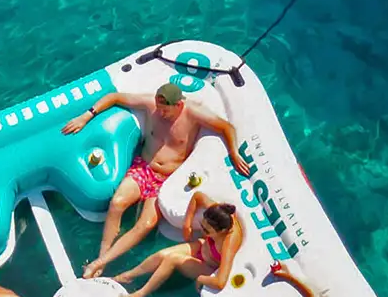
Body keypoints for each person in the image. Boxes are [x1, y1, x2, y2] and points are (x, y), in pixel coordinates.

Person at [66, 76, 253, 277]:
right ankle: (101, 258)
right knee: (117, 203)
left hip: (167, 179)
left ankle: (102, 262)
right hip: (144, 167)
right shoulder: (151, 105)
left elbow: (226, 127)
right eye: (159, 107)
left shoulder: (194, 113)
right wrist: (86, 116)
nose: (160, 113)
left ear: (179, 105)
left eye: (166, 110)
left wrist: (234, 152)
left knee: (146, 224)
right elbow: (115, 97)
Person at [109, 195, 245, 297]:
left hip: (208, 266)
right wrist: (187, 224)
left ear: (221, 231)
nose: (202, 231)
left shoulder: (229, 241)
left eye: (206, 231)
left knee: (172, 259)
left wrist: (201, 279)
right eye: (202, 226)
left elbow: (220, 281)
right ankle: (128, 276)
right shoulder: (218, 213)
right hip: (202, 247)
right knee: (162, 255)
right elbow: (198, 196)